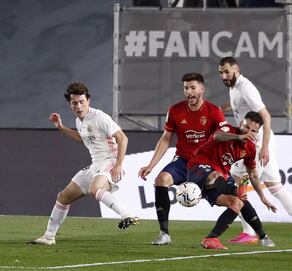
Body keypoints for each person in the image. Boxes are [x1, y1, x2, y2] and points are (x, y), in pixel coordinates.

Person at [218, 57, 292, 244]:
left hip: (256, 143)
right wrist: (219, 109)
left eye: (227, 72)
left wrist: (263, 148)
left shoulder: (245, 87)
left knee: (235, 181)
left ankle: (249, 231)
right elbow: (237, 103)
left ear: (236, 69)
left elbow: (266, 115)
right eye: (221, 73)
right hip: (261, 142)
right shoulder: (235, 88)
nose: (224, 76)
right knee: (275, 187)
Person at [29, 82, 139, 245]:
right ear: (70, 104)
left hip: (109, 161)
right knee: (63, 197)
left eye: (82, 102)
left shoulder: (99, 117)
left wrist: (118, 164)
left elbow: (123, 138)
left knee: (96, 190)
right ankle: (49, 236)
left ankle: (127, 215)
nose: (79, 106)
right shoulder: (80, 121)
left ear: (88, 101)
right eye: (75, 103)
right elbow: (82, 138)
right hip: (95, 165)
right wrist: (60, 127)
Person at [138, 72, 227, 245]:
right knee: (161, 180)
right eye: (186, 88)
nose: (189, 92)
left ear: (202, 89)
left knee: (226, 194)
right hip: (182, 161)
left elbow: (223, 137)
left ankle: (210, 193)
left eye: (193, 88)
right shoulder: (175, 110)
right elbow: (165, 139)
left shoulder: (214, 112)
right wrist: (151, 165)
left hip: (205, 163)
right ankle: (164, 234)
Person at [187, 111, 277, 249]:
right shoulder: (228, 130)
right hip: (198, 168)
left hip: (220, 179)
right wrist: (239, 137)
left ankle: (212, 238)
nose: (249, 132)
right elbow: (217, 136)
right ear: (241, 124)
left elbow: (252, 175)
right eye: (247, 127)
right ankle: (233, 192)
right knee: (218, 176)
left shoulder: (250, 149)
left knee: (238, 202)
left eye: (254, 131)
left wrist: (262, 197)